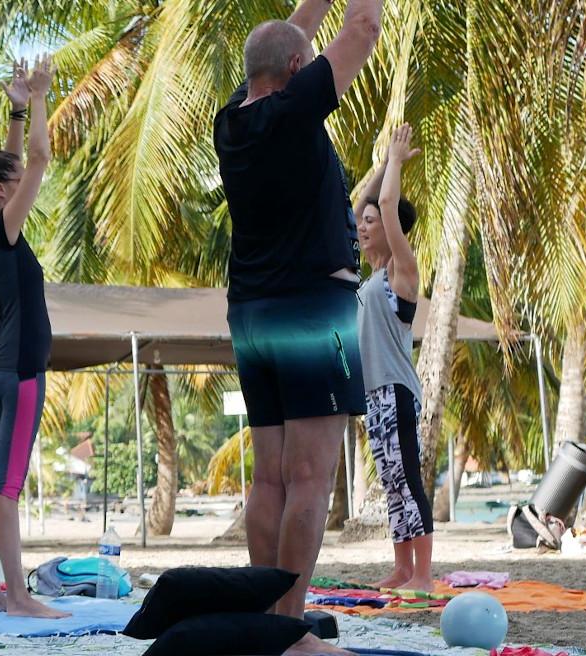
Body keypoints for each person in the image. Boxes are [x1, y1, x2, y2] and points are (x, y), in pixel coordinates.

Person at [212, 0, 382, 652]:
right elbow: (361, 29)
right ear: (295, 70)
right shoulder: (293, 110)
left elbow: (292, 38)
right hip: (313, 308)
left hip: (252, 314)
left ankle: (268, 623)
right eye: (306, 64)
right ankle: (288, 633)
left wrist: (306, 13)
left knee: (271, 477)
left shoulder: (231, 121)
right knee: (311, 477)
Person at [0, 56, 67, 620]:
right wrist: (44, 97)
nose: (27, 184)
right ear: (3, 191)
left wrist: (18, 109)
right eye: (17, 184)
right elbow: (40, 160)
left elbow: (17, 159)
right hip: (20, 370)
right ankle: (19, 596)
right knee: (8, 488)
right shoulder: (4, 228)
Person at [356, 125, 434, 591]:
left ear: (391, 230)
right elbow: (367, 203)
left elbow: (385, 205)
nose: (363, 227)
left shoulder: (401, 270)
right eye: (362, 224)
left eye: (371, 223)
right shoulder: (370, 273)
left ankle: (423, 574)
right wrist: (383, 164)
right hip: (374, 394)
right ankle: (403, 568)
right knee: (390, 482)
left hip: (398, 392)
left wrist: (397, 161)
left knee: (408, 479)